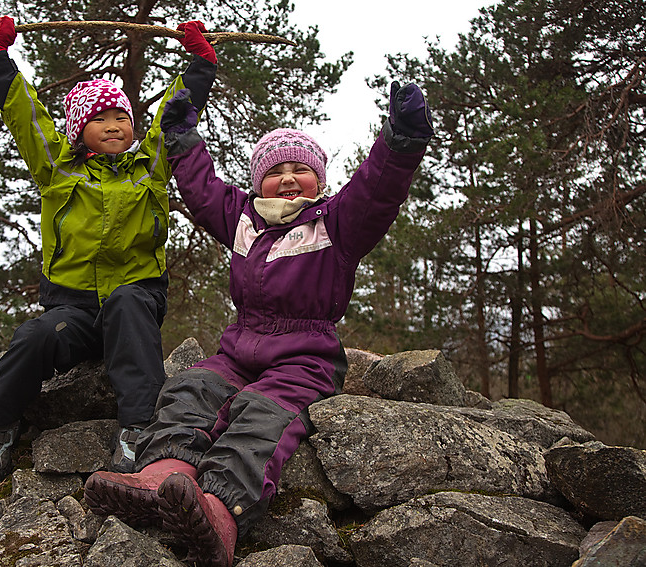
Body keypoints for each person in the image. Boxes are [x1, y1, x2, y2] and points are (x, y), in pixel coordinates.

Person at [83, 78, 434, 566]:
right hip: (238, 348)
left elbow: (379, 189)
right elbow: (203, 192)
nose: (289, 179)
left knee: (261, 416)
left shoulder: (337, 223)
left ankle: (219, 513)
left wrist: (402, 141)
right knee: (192, 388)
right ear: (256, 183)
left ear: (321, 181)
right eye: (276, 172)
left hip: (305, 356)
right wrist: (182, 141)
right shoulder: (244, 219)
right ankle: (160, 475)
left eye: (302, 170)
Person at [0, 16, 217, 485]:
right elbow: (25, 116)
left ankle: (140, 429)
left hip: (136, 302)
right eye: (98, 118)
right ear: (78, 131)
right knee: (37, 335)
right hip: (74, 308)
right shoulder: (57, 170)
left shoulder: (150, 164)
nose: (113, 125)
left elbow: (174, 115)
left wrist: (198, 66)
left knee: (126, 301)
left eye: (120, 116)